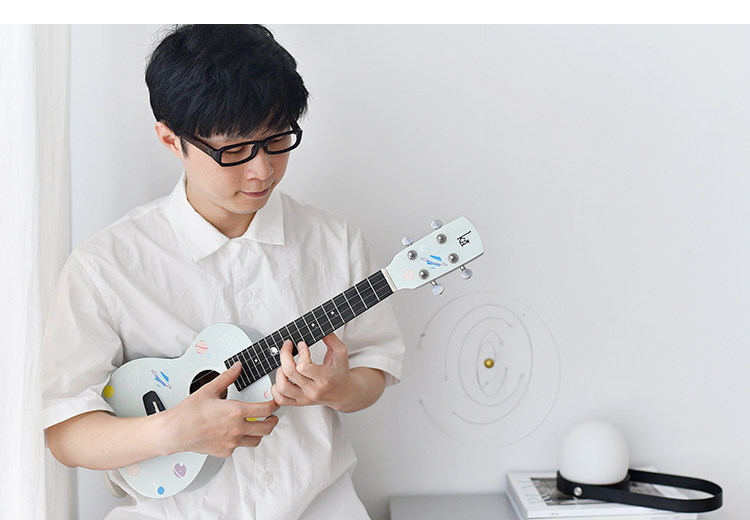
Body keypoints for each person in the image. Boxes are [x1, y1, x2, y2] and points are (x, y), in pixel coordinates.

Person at [43, 24, 405, 520]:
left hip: (321, 507)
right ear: (171, 139)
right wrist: (171, 432)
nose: (262, 170)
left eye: (277, 139)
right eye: (233, 150)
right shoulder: (105, 267)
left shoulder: (335, 241)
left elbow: (374, 364)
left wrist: (342, 389)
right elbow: (65, 432)